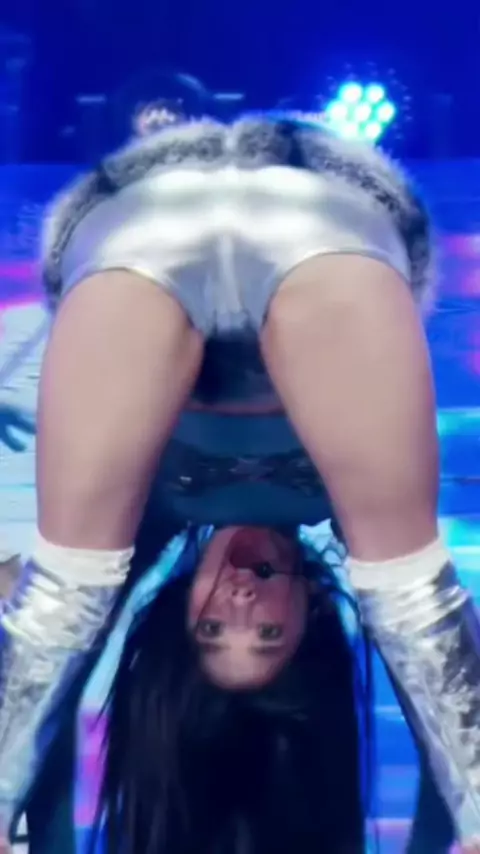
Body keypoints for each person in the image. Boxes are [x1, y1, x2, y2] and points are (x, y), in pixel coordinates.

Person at [0, 111, 478, 850]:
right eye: (270, 634)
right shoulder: (354, 526)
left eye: (213, 629)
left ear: (180, 610)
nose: (243, 605)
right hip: (322, 224)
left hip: (140, 232)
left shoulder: (146, 520)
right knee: (408, 591)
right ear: (313, 615)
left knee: (67, 593)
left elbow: (55, 661)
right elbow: (426, 638)